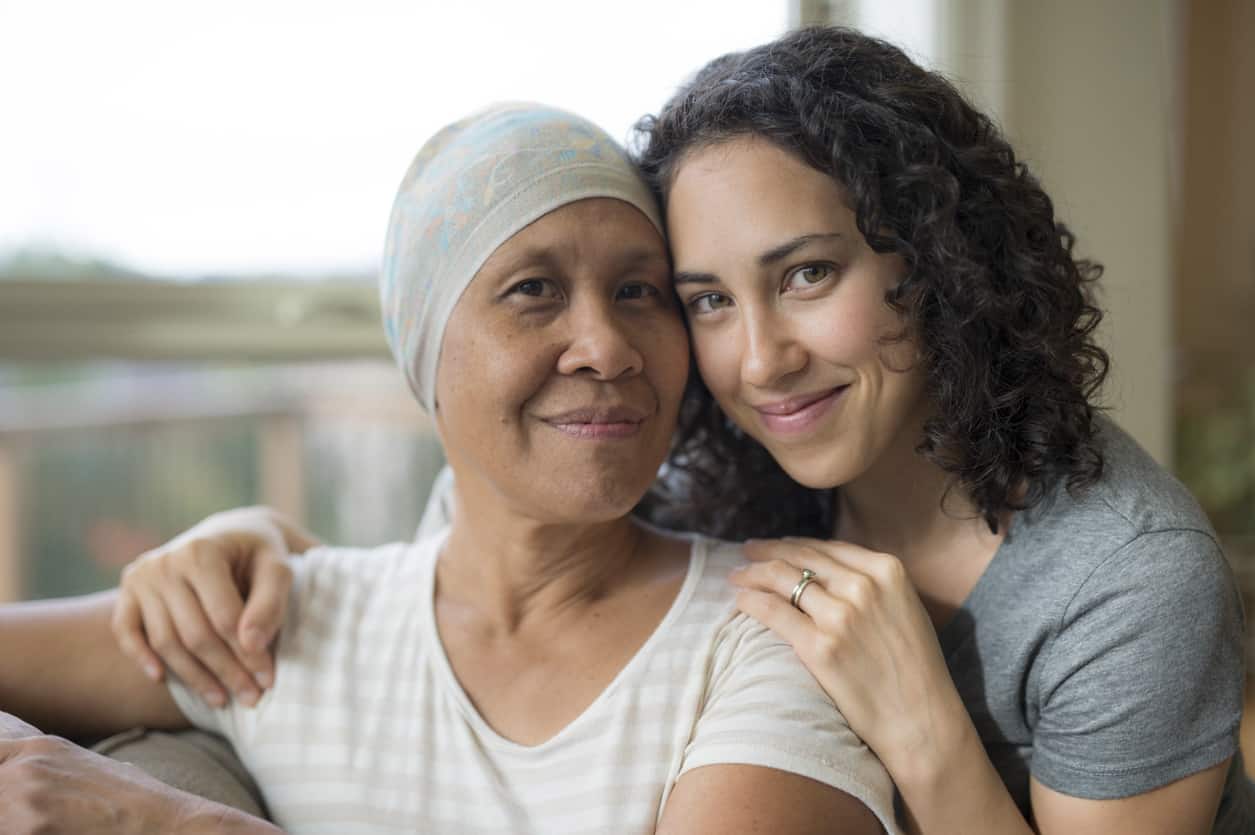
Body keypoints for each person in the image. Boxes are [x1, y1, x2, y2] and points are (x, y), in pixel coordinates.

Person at [115, 26, 1254, 835]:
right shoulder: (714, 473)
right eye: (706, 298)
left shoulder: (1122, 582)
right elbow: (468, 588)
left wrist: (925, 730)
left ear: (939, 262)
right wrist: (256, 538)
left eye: (806, 274)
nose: (758, 360)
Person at [0, 101, 899, 835]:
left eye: (640, 292)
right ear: (425, 358)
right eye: (532, 290)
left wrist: (180, 826)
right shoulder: (272, 627)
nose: (606, 346)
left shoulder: (775, 627)